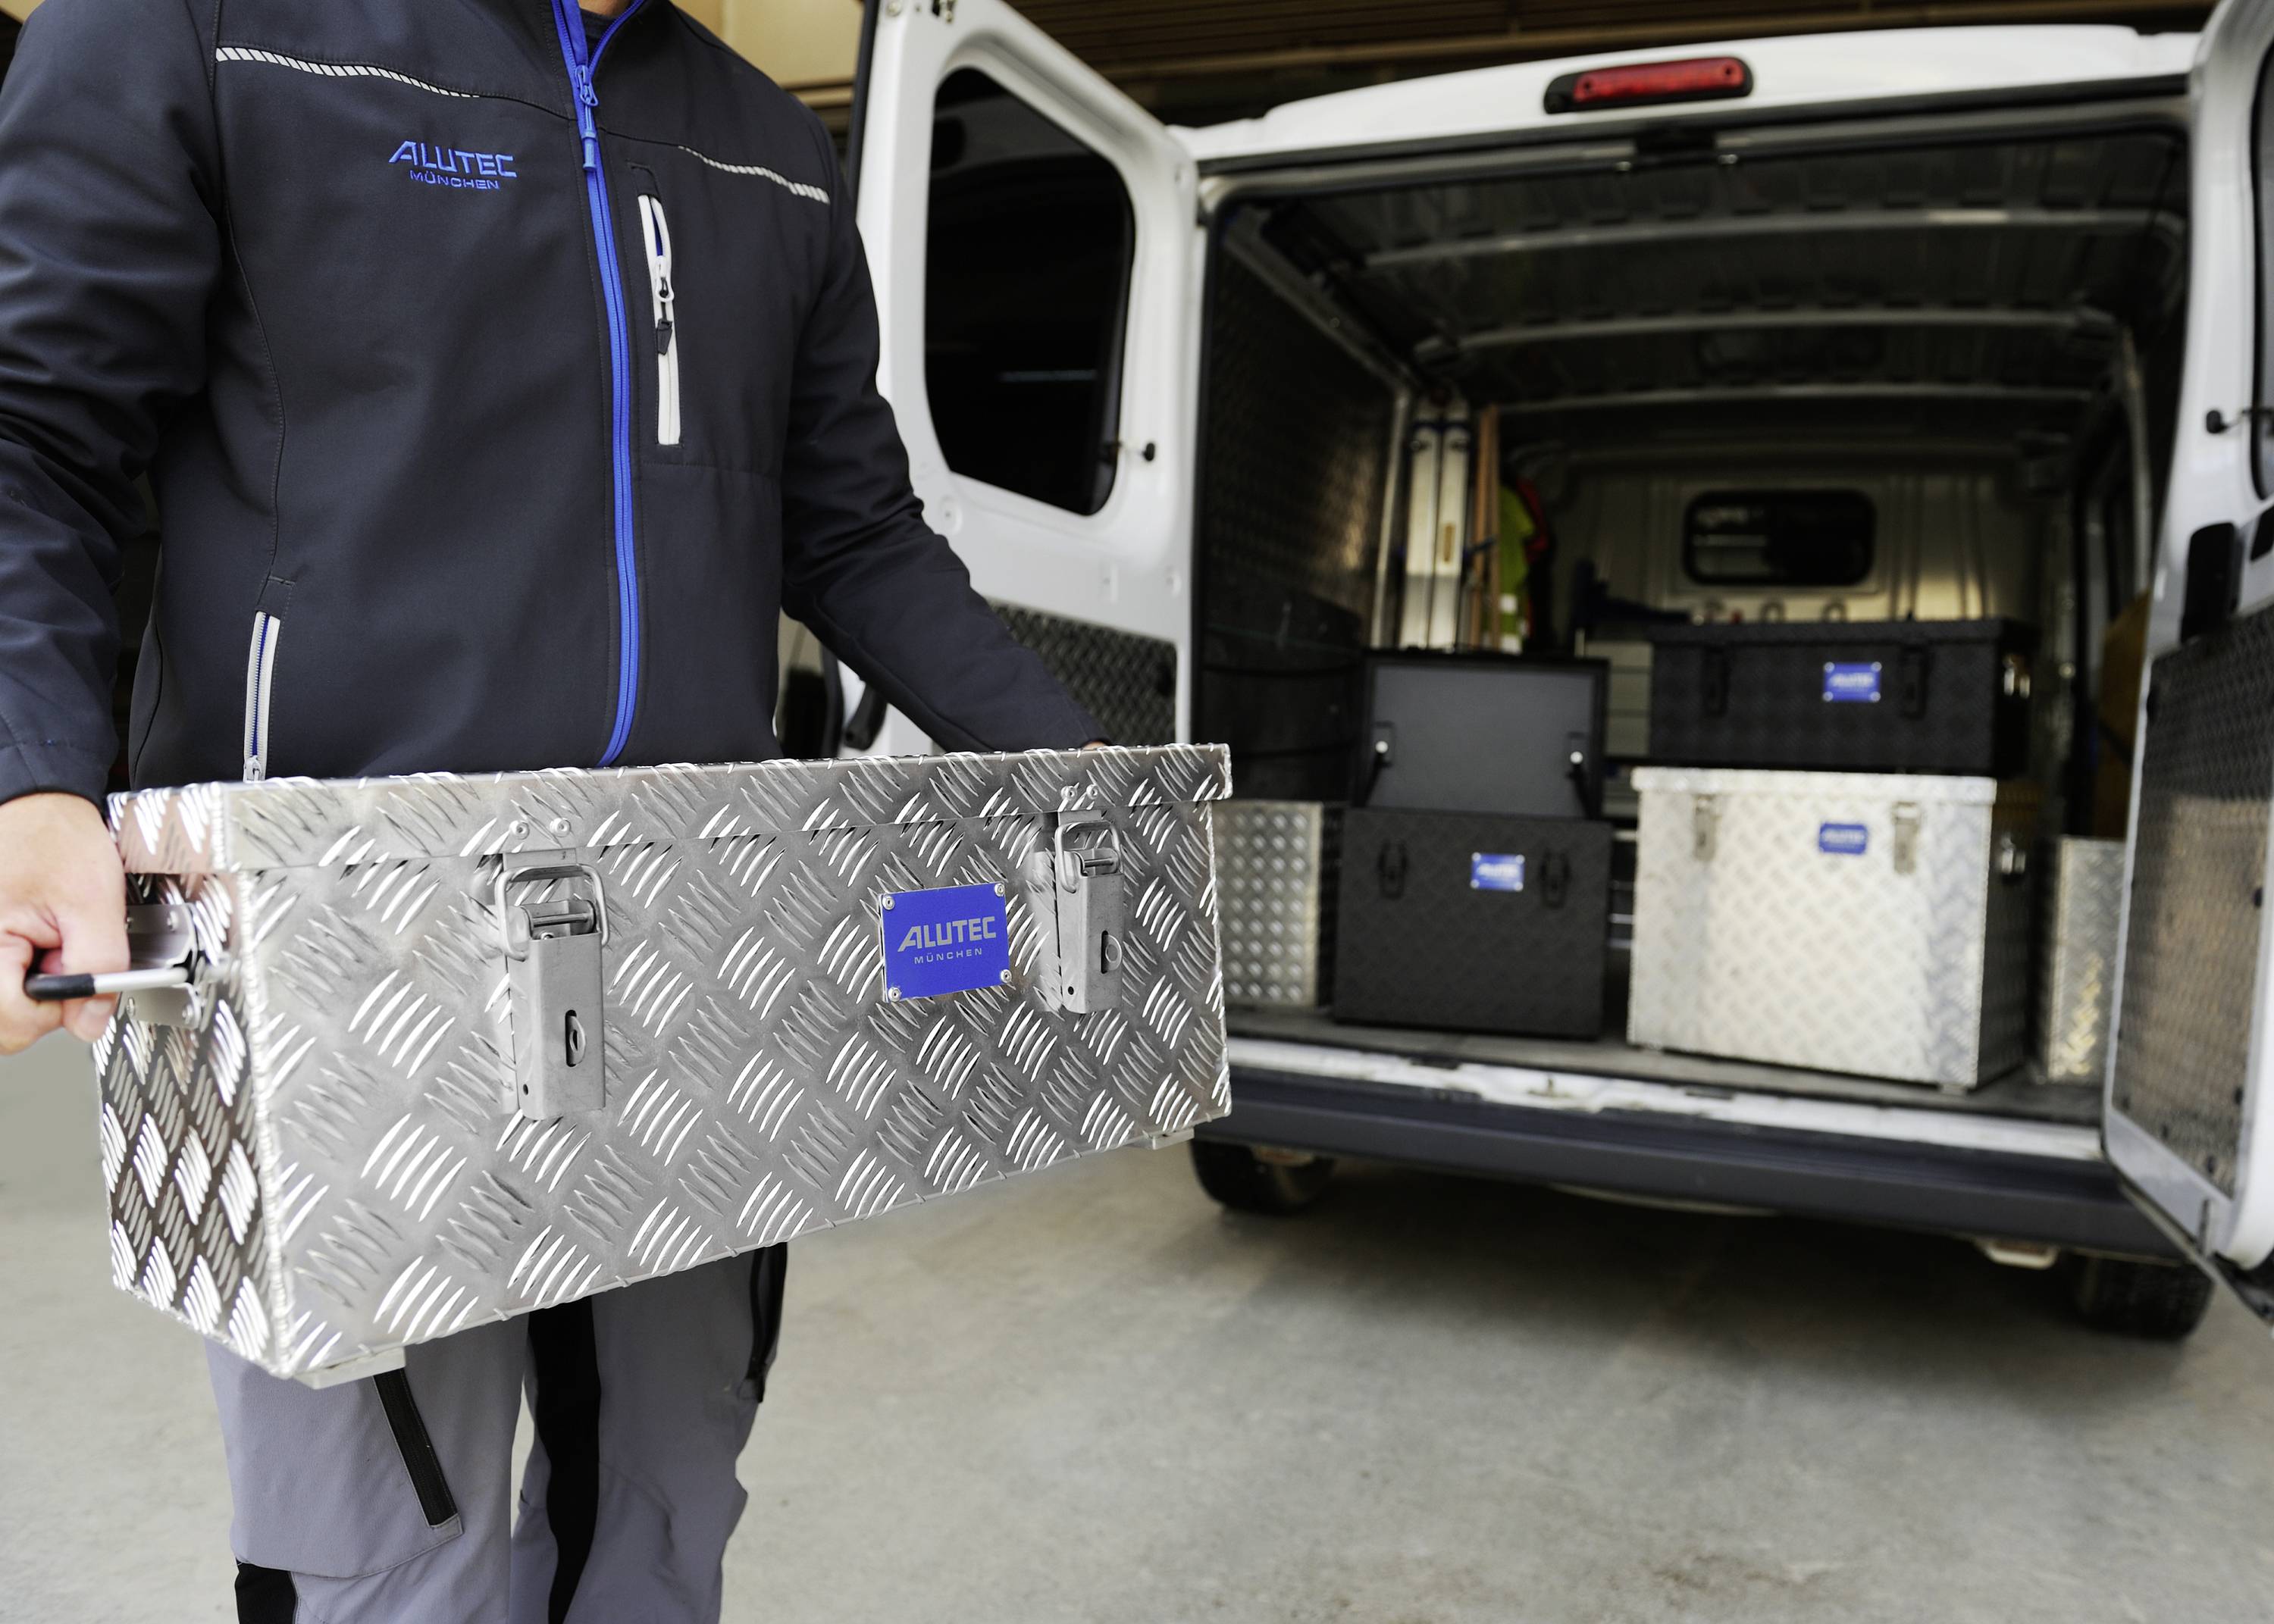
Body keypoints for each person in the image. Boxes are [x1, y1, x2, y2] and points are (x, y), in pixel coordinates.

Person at [0, 1, 1103, 1619]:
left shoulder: (771, 153)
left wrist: (1088, 787)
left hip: (691, 952)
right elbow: (33, 430)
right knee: (388, 1553)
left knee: (664, 1503)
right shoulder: (204, 29)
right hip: (336, 963)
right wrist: (31, 778)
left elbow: (854, 529)